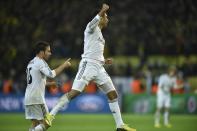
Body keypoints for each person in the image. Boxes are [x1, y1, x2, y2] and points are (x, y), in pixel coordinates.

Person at [43, 3, 136, 131]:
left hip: (99, 67)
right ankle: (50, 114)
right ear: (101, 17)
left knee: (113, 94)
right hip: (87, 65)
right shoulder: (90, 28)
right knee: (74, 93)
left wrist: (104, 61)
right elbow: (93, 23)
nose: (107, 19)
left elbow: (94, 52)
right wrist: (103, 10)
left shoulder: (101, 36)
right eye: (106, 16)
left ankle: (119, 125)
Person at [24, 41, 71, 131]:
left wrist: (50, 84)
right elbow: (52, 74)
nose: (50, 53)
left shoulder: (31, 62)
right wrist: (64, 65)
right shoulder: (40, 62)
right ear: (42, 52)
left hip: (31, 97)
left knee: (35, 124)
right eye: (48, 51)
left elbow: (34, 81)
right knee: (45, 123)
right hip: (36, 98)